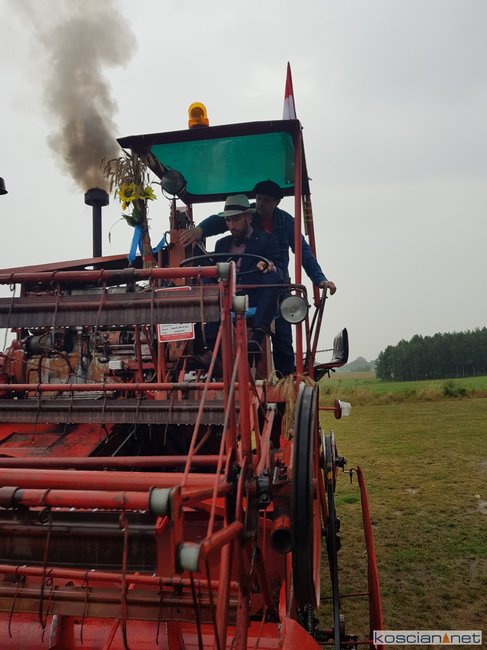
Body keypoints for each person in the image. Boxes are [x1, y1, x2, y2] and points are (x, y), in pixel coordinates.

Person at [180, 180, 336, 376]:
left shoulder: (285, 223)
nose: (261, 204)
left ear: (277, 202)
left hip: (273, 283)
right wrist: (201, 230)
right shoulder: (236, 224)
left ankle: (286, 377)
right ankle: (214, 356)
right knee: (209, 284)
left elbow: (304, 253)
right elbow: (220, 220)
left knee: (282, 333)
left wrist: (320, 279)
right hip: (239, 286)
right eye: (259, 199)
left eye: (266, 200)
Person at [198, 194, 284, 365]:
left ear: (249, 217)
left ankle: (256, 338)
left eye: (236, 219)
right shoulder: (221, 244)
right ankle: (211, 351)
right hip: (227, 298)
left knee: (273, 276)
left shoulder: (267, 240)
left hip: (254, 298)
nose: (232, 225)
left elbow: (280, 270)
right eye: (228, 220)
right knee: (204, 281)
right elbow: (215, 272)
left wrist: (269, 266)